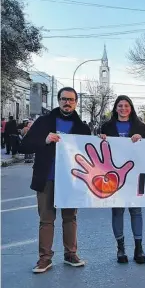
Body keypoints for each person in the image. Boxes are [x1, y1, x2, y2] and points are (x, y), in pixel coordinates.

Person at [19, 87, 91, 273]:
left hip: (71, 180)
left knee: (70, 218)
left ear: (76, 102)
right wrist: (44, 139)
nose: (67, 103)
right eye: (64, 99)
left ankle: (71, 254)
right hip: (47, 178)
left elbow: (90, 153)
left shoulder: (82, 128)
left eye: (71, 100)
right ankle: (44, 258)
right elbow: (24, 145)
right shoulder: (44, 122)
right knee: (46, 219)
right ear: (58, 100)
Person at [99, 95, 145, 264]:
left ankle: (139, 247)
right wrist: (101, 139)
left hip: (134, 174)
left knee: (136, 211)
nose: (123, 108)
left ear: (131, 108)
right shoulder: (107, 126)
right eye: (120, 106)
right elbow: (100, 147)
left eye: (126, 105)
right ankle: (120, 248)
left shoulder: (140, 126)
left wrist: (141, 140)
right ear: (115, 108)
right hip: (113, 175)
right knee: (117, 211)